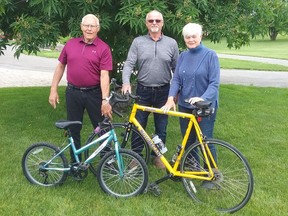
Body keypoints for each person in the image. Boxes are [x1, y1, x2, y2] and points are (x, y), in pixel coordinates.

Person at [48, 14, 113, 163]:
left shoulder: (103, 48)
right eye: (86, 25)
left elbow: (104, 75)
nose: (89, 29)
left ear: (98, 28)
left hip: (94, 94)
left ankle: (108, 163)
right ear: (81, 27)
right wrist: (53, 89)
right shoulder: (70, 44)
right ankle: (75, 163)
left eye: (92, 26)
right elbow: (60, 66)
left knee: (103, 129)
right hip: (73, 93)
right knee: (73, 129)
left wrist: (105, 100)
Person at [121, 10, 179, 169]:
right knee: (139, 125)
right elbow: (129, 64)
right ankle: (136, 156)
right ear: (146, 23)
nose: (154, 23)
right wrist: (126, 82)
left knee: (162, 126)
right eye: (151, 20)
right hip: (143, 91)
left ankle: (158, 156)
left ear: (162, 23)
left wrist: (176, 92)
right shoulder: (138, 42)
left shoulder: (171, 43)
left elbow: (177, 69)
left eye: (157, 20)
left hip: (164, 92)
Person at [161, 23, 220, 162]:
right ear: (184, 38)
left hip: (205, 107)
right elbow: (176, 79)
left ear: (200, 36)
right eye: (188, 37)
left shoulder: (210, 55)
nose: (191, 39)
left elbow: (214, 83)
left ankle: (212, 173)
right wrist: (171, 97)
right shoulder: (183, 56)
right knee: (188, 140)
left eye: (194, 36)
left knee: (205, 141)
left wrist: (202, 98)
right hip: (185, 105)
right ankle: (193, 168)